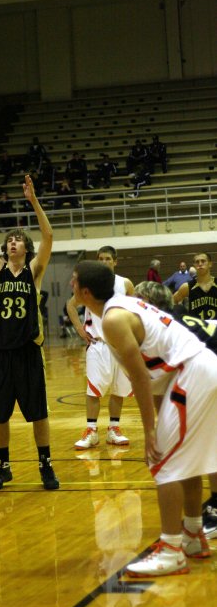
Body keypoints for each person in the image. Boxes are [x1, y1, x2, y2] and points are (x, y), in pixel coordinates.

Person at [71, 261, 215, 577]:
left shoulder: (112, 319)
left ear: (84, 291)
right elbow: (155, 371)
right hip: (199, 368)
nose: (70, 283)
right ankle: (193, 536)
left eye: (74, 280)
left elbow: (139, 378)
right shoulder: (124, 305)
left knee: (163, 461)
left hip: (192, 371)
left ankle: (171, 549)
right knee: (185, 459)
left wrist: (150, 429)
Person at [0, 175, 59, 492]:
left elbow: (49, 235)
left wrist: (33, 201)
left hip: (29, 351)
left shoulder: (34, 271)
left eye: (18, 240)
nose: (13, 242)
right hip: (1, 354)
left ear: (26, 249)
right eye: (10, 239)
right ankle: (2, 466)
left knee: (39, 413)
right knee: (0, 414)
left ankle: (45, 464)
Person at [133, 280, 217, 542]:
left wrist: (158, 432)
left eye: (137, 302)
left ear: (149, 305)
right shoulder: (173, 321)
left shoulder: (160, 330)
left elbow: (158, 389)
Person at [67, 246, 134, 450]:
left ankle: (114, 429)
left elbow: (136, 307)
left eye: (108, 259)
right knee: (94, 390)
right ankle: (91, 431)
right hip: (97, 344)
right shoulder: (90, 283)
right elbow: (71, 305)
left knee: (118, 389)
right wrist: (79, 329)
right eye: (101, 259)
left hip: (120, 345)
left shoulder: (125, 283)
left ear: (115, 261)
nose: (104, 262)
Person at [173, 252, 217, 320]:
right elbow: (171, 301)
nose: (200, 264)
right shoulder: (187, 287)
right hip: (196, 329)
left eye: (203, 261)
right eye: (197, 262)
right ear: (194, 265)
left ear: (210, 264)